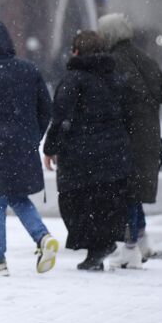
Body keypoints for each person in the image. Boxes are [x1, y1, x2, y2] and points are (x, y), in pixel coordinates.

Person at [0, 19, 58, 276]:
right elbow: (46, 108)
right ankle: (43, 237)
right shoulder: (29, 69)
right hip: (25, 146)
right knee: (18, 196)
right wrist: (33, 136)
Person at [43, 30, 131, 271]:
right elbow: (129, 114)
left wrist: (50, 148)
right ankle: (99, 248)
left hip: (81, 154)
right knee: (105, 203)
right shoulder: (116, 77)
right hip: (114, 153)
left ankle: (96, 249)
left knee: (76, 203)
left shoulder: (74, 79)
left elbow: (60, 117)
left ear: (77, 51)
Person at [97, 13, 162, 269]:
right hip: (149, 136)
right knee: (135, 189)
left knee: (126, 191)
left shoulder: (114, 62)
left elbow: (114, 102)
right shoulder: (145, 58)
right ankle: (141, 238)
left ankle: (130, 250)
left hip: (128, 138)